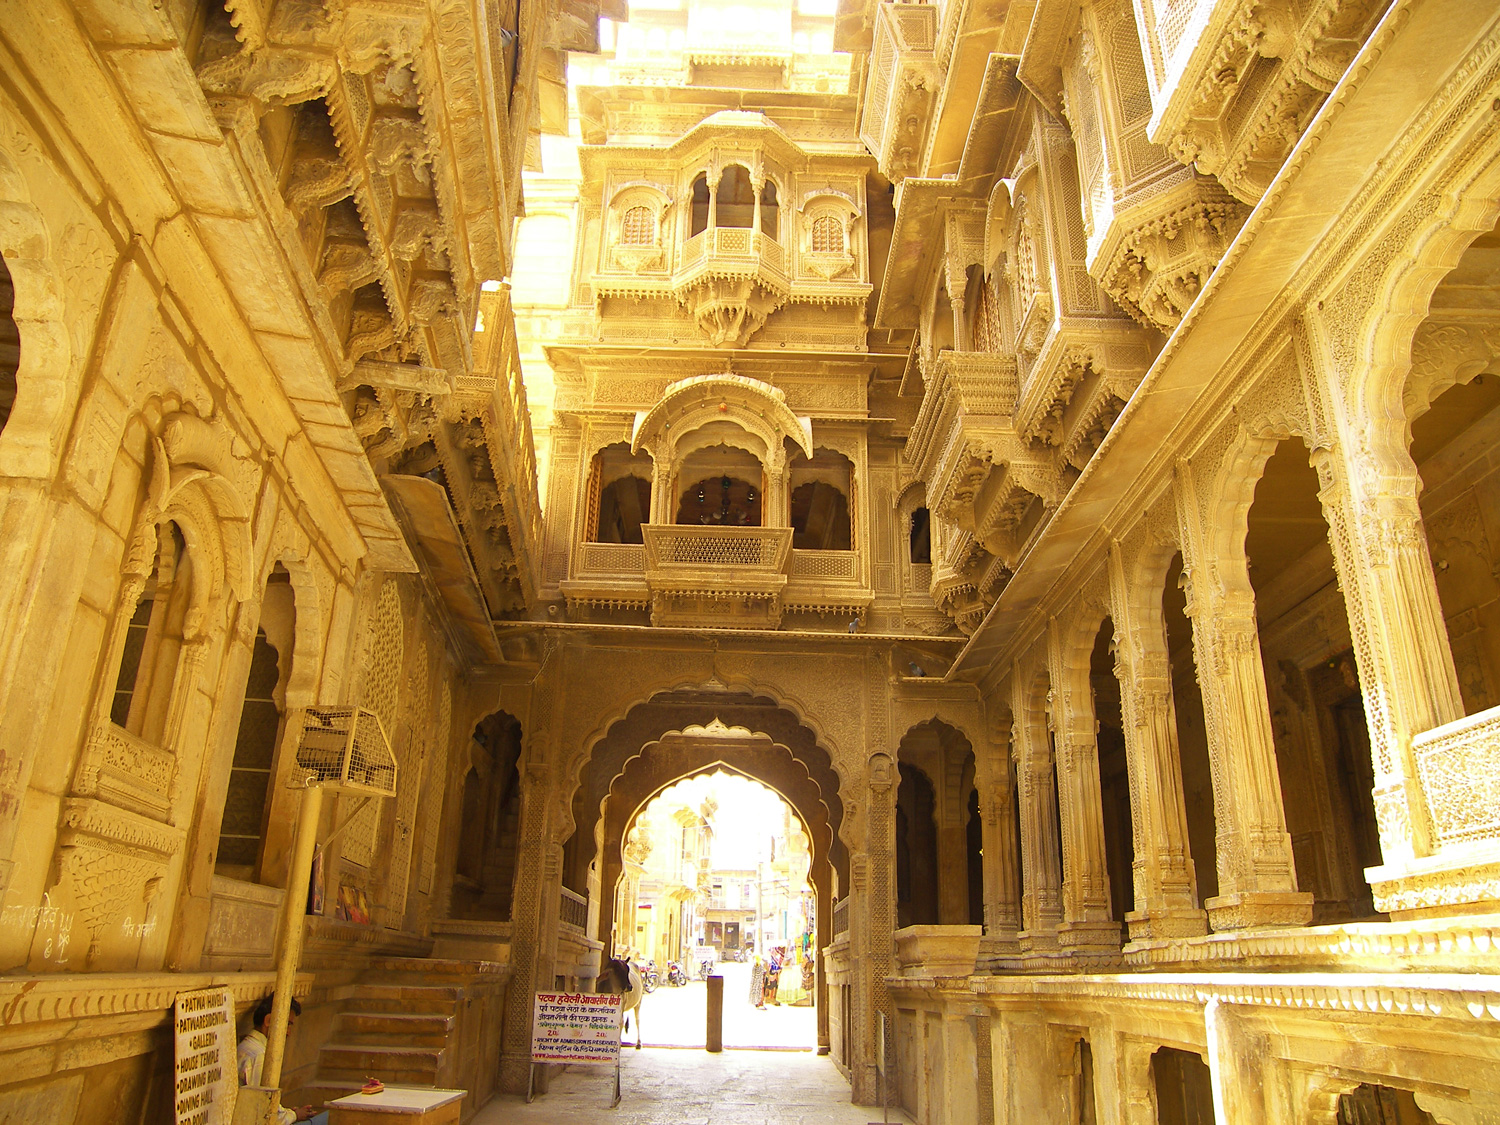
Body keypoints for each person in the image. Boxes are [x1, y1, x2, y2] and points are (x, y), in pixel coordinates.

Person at [238, 996, 325, 1124]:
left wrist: (288, 1113)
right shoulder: (259, 1055)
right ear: (268, 1021)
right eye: (287, 1024)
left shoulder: (250, 1047)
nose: (288, 1033)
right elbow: (263, 1111)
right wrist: (294, 1115)